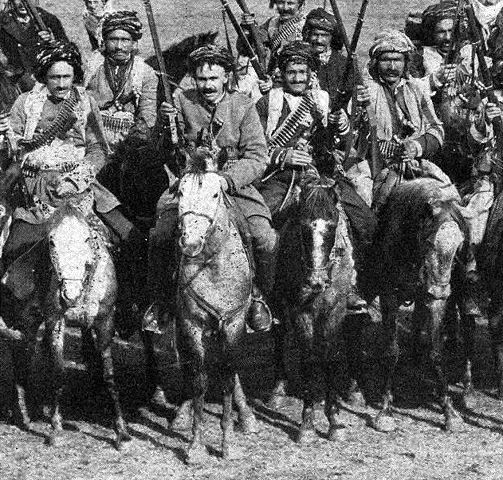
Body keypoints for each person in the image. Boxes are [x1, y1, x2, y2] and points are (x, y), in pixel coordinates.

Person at [148, 45, 278, 332]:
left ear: (226, 78)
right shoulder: (181, 101)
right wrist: (164, 125)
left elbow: (258, 157)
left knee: (264, 237)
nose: (207, 85)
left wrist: (227, 179)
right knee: (160, 234)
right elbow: (164, 153)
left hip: (232, 185)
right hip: (191, 184)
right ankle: (161, 303)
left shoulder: (242, 105)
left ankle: (258, 297)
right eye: (201, 79)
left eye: (213, 79)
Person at [0, 42, 144, 300]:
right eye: (55, 77)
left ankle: (126, 305)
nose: (62, 83)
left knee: (129, 237)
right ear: (44, 76)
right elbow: (15, 149)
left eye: (67, 76)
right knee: (14, 249)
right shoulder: (26, 102)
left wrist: (77, 180)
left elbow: (98, 149)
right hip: (37, 188)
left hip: (80, 186)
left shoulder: (85, 101)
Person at [255, 41, 376, 311]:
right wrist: (283, 156)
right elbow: (256, 150)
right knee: (265, 227)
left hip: (322, 176)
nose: (297, 78)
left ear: (312, 74)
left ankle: (354, 285)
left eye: (302, 72)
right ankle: (267, 294)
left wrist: (342, 128)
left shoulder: (323, 100)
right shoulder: (267, 104)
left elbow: (342, 146)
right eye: (290, 72)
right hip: (281, 179)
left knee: (363, 220)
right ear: (281, 74)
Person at [354, 29, 452, 214]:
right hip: (373, 164)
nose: (392, 66)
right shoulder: (365, 90)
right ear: (376, 62)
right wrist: (358, 109)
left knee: (447, 196)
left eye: (397, 60)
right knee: (363, 199)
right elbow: (351, 135)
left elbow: (436, 129)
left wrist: (416, 146)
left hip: (414, 163)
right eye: (386, 60)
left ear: (405, 62)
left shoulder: (416, 89)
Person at [85, 10, 158, 152]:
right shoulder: (92, 67)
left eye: (125, 40)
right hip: (93, 136)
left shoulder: (145, 72)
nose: (119, 46)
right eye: (113, 39)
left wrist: (133, 140)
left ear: (134, 43)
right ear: (105, 41)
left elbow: (147, 115)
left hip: (130, 139)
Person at [0, 0, 69, 92]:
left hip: (45, 72)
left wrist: (51, 42)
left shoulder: (44, 18)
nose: (23, 3)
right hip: (18, 76)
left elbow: (65, 47)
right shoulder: (4, 20)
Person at [302, 7, 347, 102]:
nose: (319, 40)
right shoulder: (300, 59)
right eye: (315, 34)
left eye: (324, 35)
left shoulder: (344, 64)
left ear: (332, 37)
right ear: (308, 35)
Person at [259, 0, 306, 73]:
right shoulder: (271, 22)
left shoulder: (307, 25)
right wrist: (248, 26)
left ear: (300, 4)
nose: (285, 8)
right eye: (281, 2)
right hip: (274, 75)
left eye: (290, 3)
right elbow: (255, 42)